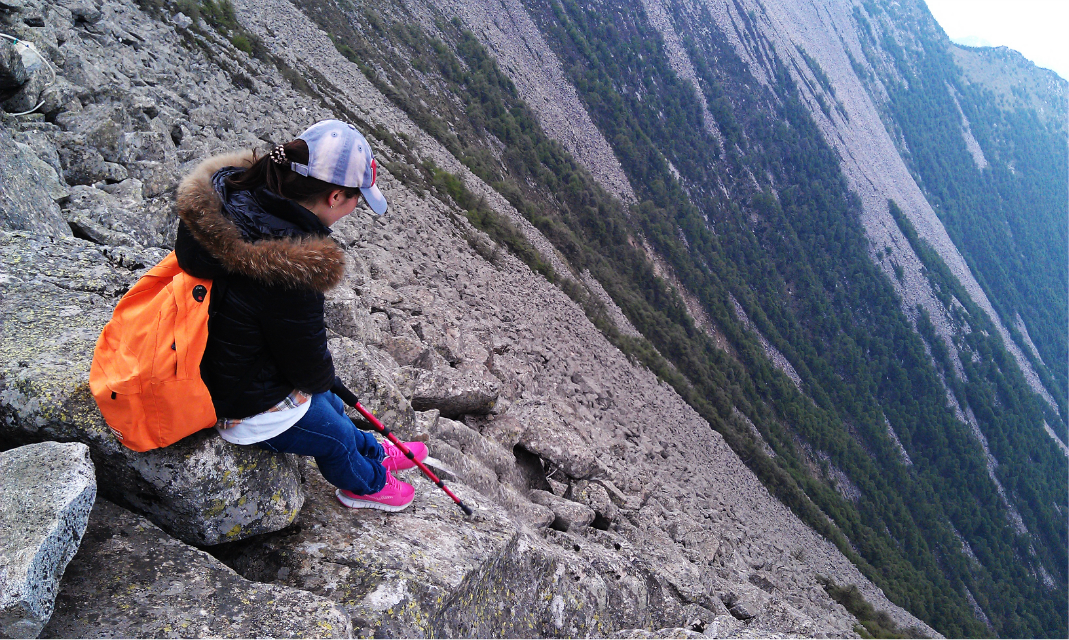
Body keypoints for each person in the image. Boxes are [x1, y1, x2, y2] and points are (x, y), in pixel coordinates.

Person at [173, 119, 427, 512]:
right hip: (240, 402)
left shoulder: (235, 200)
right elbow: (307, 367)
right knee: (334, 436)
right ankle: (366, 484)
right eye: (356, 197)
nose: (356, 206)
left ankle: (370, 448)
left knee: (332, 405)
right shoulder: (292, 268)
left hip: (227, 362)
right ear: (335, 196)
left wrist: (323, 383)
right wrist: (323, 378)